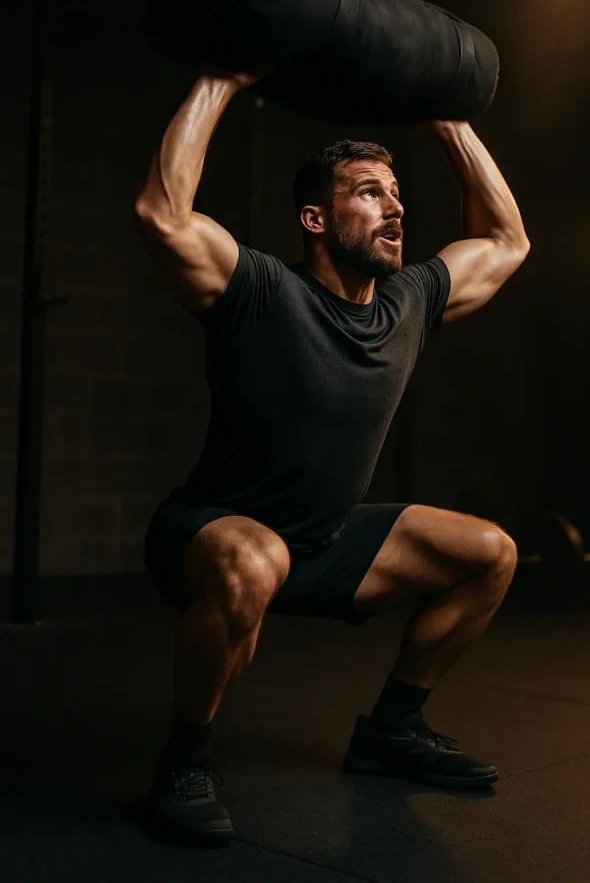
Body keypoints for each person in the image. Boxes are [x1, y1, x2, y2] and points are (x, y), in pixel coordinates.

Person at [134, 70, 530, 846]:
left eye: (394, 193)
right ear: (315, 218)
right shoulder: (258, 288)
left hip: (323, 541)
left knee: (489, 553)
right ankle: (184, 760)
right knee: (251, 560)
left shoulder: (409, 301)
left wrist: (450, 126)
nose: (395, 206)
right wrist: (220, 80)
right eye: (368, 193)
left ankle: (391, 730)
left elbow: (506, 242)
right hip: (216, 533)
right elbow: (162, 213)